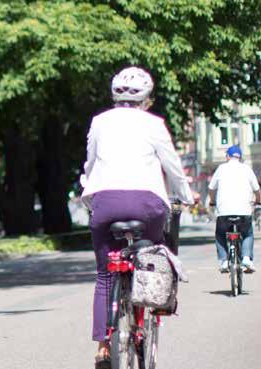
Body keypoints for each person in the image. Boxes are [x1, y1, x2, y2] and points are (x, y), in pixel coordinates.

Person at [79, 66, 193, 368]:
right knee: (153, 256)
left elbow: (90, 164)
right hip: (148, 202)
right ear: (147, 99)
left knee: (105, 273)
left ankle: (104, 345)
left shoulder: (99, 121)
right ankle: (149, 313)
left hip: (105, 201)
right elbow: (172, 165)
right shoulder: (154, 124)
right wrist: (186, 195)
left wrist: (89, 187)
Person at [207, 145, 261, 273]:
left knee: (220, 234)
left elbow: (211, 189)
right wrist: (258, 200)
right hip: (244, 213)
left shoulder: (221, 169)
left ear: (227, 157)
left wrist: (212, 201)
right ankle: (247, 258)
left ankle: (224, 261)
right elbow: (257, 189)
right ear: (240, 157)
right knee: (247, 233)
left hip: (224, 213)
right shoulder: (246, 169)